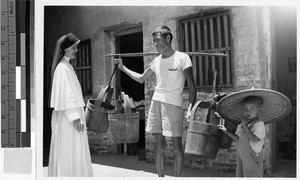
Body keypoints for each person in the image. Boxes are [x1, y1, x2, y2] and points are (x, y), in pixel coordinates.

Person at [114, 26, 196, 177]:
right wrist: (122, 67)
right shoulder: (156, 61)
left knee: (177, 146)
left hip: (173, 104)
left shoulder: (182, 58)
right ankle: (160, 176)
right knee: (159, 144)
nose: (155, 44)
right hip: (156, 102)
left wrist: (190, 108)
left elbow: (192, 87)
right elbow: (141, 79)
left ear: (168, 38)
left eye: (157, 40)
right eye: (154, 41)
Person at [48, 33, 93, 177]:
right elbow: (66, 94)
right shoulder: (62, 68)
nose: (77, 50)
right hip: (68, 119)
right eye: (74, 47)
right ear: (66, 48)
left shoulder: (67, 66)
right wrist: (75, 117)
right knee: (68, 152)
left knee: (75, 151)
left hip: (71, 116)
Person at [218, 95, 265, 177]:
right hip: (242, 156)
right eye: (246, 109)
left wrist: (246, 127)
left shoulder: (259, 124)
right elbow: (238, 139)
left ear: (259, 110)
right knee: (241, 175)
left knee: (251, 175)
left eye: (252, 108)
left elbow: (254, 139)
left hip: (252, 159)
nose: (248, 111)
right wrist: (226, 131)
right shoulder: (244, 123)